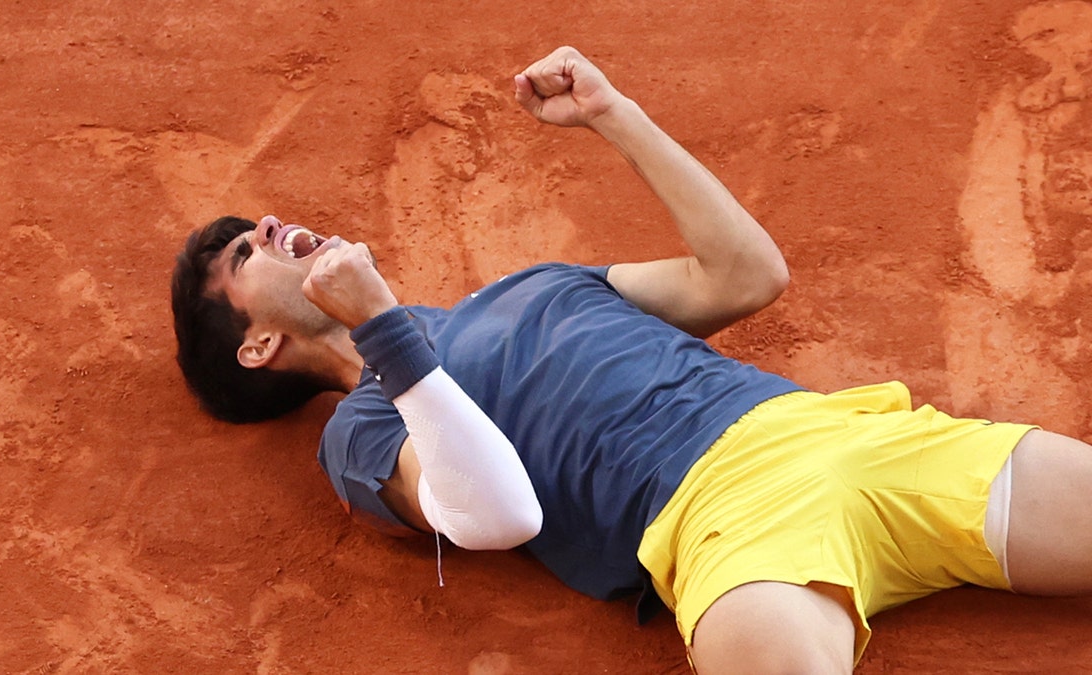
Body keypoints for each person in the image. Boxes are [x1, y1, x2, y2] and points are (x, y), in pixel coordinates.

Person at [169, 46, 1092, 674]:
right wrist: (380, 328)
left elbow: (747, 273)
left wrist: (615, 114)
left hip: (837, 432)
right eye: (241, 257)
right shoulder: (365, 427)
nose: (266, 227)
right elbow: (496, 511)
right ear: (259, 347)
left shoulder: (528, 285)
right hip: (721, 531)